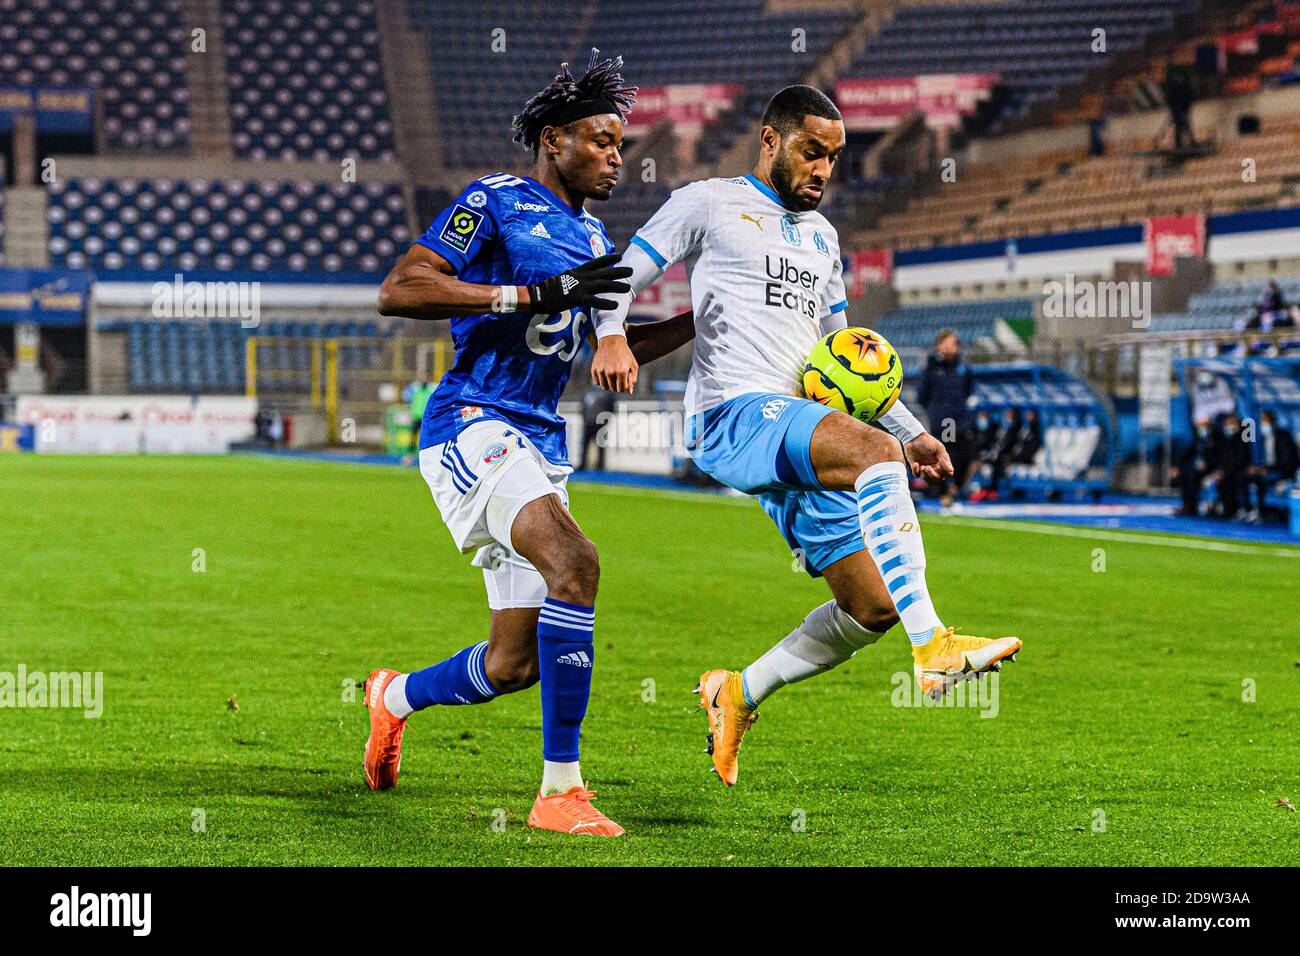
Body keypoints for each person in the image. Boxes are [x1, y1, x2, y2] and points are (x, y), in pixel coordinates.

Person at [590, 85, 1022, 787]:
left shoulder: (823, 238)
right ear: (771, 140)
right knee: (872, 456)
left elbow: (840, 348)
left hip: (797, 429)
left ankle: (737, 692)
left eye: (834, 157)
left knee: (872, 605)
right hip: (733, 414)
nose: (823, 169)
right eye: (811, 151)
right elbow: (619, 278)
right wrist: (611, 339)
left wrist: (908, 431)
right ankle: (935, 644)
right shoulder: (709, 202)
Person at [363, 50, 694, 837]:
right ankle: (560, 792)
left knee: (513, 665)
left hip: (538, 442)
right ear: (554, 139)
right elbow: (400, 288)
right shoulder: (495, 200)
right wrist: (526, 292)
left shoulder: (589, 235)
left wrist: (702, 323)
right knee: (577, 563)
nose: (618, 155)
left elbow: (596, 345)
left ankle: (392, 698)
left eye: (622, 143)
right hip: (473, 423)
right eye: (603, 139)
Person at [916, 328, 974, 506]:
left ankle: (955, 487)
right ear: (939, 345)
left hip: (960, 420)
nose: (948, 346)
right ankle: (943, 492)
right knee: (943, 453)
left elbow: (968, 390)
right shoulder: (932, 369)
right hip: (943, 421)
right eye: (945, 342)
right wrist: (937, 411)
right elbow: (922, 395)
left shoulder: (963, 369)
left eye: (952, 343)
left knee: (966, 455)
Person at [1246, 410, 1299, 519]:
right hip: (1268, 470)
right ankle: (1248, 510)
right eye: (1261, 421)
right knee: (1246, 477)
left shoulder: (1283, 437)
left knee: (1260, 479)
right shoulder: (1263, 439)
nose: (1263, 424)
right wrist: (1257, 468)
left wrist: (1267, 469)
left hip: (1283, 472)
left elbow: (1287, 462)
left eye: (1265, 421)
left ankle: (1263, 512)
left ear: (1272, 422)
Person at [1172, 416, 1217, 516]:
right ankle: (1186, 505)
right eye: (1200, 425)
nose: (1201, 427)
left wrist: (1208, 465)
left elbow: (1219, 457)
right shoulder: (1198, 438)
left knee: (1193, 476)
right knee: (1184, 475)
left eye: (1204, 425)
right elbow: (1187, 453)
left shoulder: (1215, 439)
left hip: (1211, 469)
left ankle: (1192, 506)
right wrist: (1176, 466)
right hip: (1198, 469)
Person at [578, 385, 616, 471]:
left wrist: (605, 420)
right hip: (588, 423)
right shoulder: (588, 393)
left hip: (600, 424)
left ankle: (600, 466)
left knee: (601, 446)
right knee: (585, 445)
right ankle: (583, 464)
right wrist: (585, 418)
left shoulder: (607, 394)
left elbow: (611, 408)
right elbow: (583, 407)